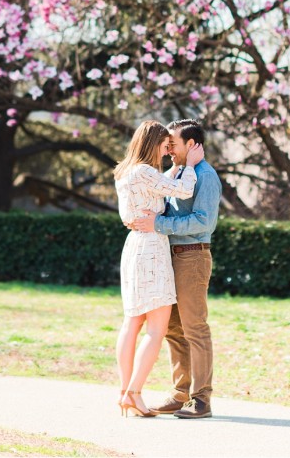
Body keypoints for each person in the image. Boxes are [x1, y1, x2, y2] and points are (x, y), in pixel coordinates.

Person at [129, 118, 222, 419]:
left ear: (192, 145)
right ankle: (179, 394)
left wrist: (158, 224)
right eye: (166, 144)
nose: (168, 149)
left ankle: (202, 399)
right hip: (171, 255)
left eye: (174, 144)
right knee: (172, 328)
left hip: (193, 256)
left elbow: (203, 222)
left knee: (195, 328)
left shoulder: (205, 176)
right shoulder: (179, 173)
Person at [114, 120, 204, 417]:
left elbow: (157, 189)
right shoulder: (145, 171)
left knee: (132, 323)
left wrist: (175, 170)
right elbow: (183, 189)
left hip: (134, 245)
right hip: (152, 248)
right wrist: (190, 164)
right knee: (157, 328)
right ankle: (134, 392)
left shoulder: (125, 172)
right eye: (166, 146)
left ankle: (125, 392)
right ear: (153, 143)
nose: (168, 152)